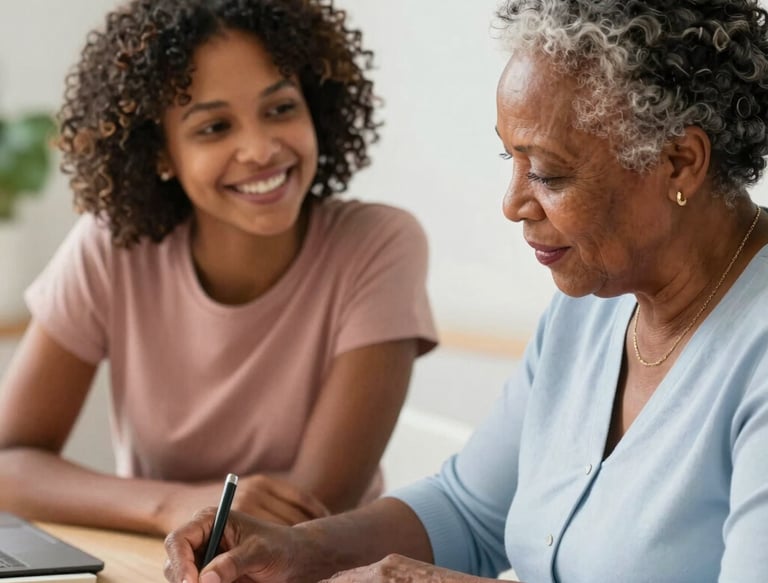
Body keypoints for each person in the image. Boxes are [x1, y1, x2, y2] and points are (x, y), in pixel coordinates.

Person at [162, 0, 768, 582]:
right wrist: (295, 549)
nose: (512, 203)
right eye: (511, 156)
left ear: (681, 161)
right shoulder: (587, 311)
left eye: (549, 173)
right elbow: (466, 512)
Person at [0, 0, 438, 536]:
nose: (259, 149)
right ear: (160, 153)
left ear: (316, 107)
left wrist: (189, 509)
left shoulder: (378, 245)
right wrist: (172, 506)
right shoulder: (113, 247)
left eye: (280, 109)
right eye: (213, 127)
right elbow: (8, 462)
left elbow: (306, 511)